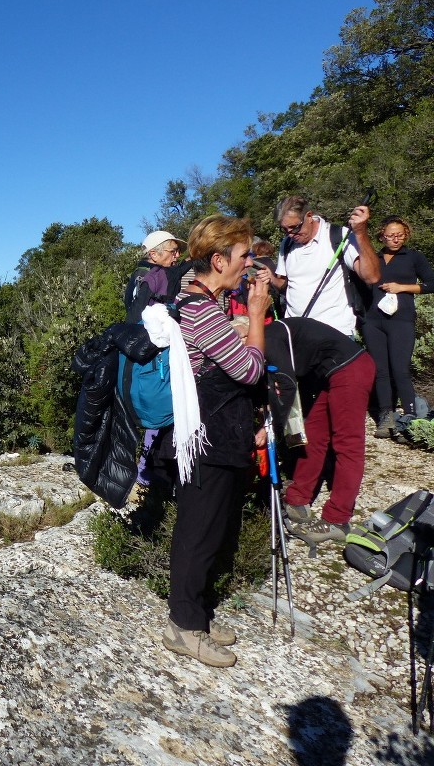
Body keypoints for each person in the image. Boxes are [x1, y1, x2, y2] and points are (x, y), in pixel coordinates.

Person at [160, 215, 271, 668]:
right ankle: (182, 627)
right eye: (244, 257)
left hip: (221, 432)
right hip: (204, 437)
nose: (249, 265)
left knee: (212, 529)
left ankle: (197, 615)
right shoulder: (199, 308)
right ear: (220, 259)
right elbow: (248, 370)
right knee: (198, 532)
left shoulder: (209, 303)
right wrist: (259, 317)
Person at [264, 318, 376, 547]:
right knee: (314, 434)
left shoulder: (269, 336)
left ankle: (338, 520)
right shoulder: (271, 334)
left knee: (347, 444)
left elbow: (287, 385)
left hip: (351, 368)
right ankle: (298, 498)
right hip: (333, 373)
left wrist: (271, 428)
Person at [359, 216, 434, 436]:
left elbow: (431, 283)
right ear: (381, 235)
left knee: (400, 369)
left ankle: (410, 417)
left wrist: (403, 287)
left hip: (401, 320)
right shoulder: (373, 257)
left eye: (400, 235)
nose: (395, 239)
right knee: (380, 370)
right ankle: (386, 417)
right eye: (391, 235)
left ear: (406, 235)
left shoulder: (413, 257)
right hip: (373, 321)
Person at [125, 231, 188, 488]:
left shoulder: (144, 275)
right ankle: (148, 470)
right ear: (154, 254)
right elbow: (139, 315)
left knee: (156, 411)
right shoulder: (155, 277)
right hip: (154, 354)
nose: (177, 256)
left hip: (145, 352)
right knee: (161, 409)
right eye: (172, 251)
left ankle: (147, 469)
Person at [271, 196, 381, 336]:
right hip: (296, 332)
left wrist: (360, 233)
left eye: (294, 227)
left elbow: (372, 277)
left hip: (335, 332)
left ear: (309, 216)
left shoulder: (338, 236)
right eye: (285, 230)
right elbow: (284, 285)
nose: (290, 234)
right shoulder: (286, 244)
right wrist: (270, 278)